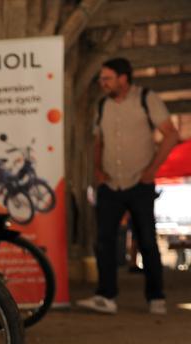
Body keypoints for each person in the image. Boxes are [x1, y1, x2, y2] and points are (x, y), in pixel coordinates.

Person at [76, 57, 179, 315]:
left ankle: (156, 297)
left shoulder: (146, 99)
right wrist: (98, 169)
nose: (102, 83)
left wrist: (152, 170)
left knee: (146, 239)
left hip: (140, 182)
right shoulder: (102, 105)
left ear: (123, 79)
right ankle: (106, 296)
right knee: (104, 241)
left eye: (107, 78)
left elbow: (171, 134)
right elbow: (97, 140)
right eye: (101, 78)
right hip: (110, 183)